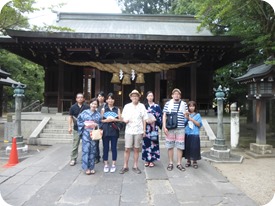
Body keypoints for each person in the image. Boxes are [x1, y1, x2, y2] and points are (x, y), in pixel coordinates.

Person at [120, 89, 148, 174]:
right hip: (129, 130)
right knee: (127, 148)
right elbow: (123, 117)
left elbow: (144, 119)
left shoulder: (142, 106)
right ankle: (125, 166)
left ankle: (135, 165)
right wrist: (125, 120)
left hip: (138, 130)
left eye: (136, 96)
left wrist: (144, 130)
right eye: (133, 96)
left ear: (139, 97)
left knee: (136, 149)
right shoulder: (127, 106)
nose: (134, 97)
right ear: (131, 97)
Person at [162, 88, 187, 172]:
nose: (176, 95)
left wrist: (187, 116)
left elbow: (186, 116)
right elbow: (164, 116)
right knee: (170, 146)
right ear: (172, 95)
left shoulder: (184, 104)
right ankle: (170, 163)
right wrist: (164, 127)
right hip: (170, 128)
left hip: (180, 127)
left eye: (178, 94)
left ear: (180, 95)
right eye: (175, 94)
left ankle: (179, 163)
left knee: (180, 146)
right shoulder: (168, 104)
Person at [77, 98, 101, 175]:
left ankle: (92, 167)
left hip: (93, 133)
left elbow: (100, 124)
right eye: (92, 103)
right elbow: (79, 121)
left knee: (93, 150)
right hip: (86, 133)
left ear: (97, 105)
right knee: (86, 150)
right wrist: (84, 124)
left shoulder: (98, 114)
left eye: (95, 104)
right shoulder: (84, 112)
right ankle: (86, 167)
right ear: (90, 104)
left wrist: (96, 125)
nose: (94, 105)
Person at [100, 93, 122, 173]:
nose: (110, 100)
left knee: (114, 148)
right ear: (106, 100)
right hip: (105, 130)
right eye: (109, 99)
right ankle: (106, 164)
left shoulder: (117, 109)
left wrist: (113, 119)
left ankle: (113, 164)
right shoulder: (103, 109)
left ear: (114, 100)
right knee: (105, 147)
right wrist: (106, 120)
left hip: (114, 130)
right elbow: (101, 120)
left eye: (112, 99)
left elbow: (120, 120)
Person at [142, 91, 162, 167]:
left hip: (154, 128)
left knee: (154, 143)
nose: (150, 97)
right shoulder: (144, 106)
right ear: (146, 97)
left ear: (153, 97)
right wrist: (146, 120)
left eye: (151, 96)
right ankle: (147, 160)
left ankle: (152, 160)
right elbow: (142, 117)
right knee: (146, 143)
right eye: (149, 96)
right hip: (146, 128)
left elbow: (160, 116)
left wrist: (155, 119)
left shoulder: (157, 106)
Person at [68, 93, 90, 166]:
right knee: (75, 144)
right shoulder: (73, 107)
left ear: (83, 99)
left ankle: (85, 158)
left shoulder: (87, 107)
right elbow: (70, 117)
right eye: (78, 97)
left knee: (86, 144)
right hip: (76, 128)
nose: (80, 99)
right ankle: (73, 158)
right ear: (76, 99)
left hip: (85, 128)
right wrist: (69, 127)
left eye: (81, 97)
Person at [184, 101, 202, 169]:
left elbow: (199, 124)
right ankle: (188, 161)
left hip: (195, 133)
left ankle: (195, 161)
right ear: (188, 107)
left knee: (195, 147)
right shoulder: (186, 114)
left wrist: (191, 119)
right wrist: (186, 117)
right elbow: (184, 124)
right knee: (188, 147)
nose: (191, 108)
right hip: (188, 133)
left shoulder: (198, 115)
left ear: (195, 107)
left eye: (193, 106)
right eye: (190, 106)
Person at [95, 91, 106, 163]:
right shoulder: (95, 105)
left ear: (104, 97)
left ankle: (104, 157)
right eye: (99, 96)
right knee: (96, 143)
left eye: (101, 96)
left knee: (105, 143)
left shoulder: (106, 105)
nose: (100, 98)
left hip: (104, 126)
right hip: (96, 126)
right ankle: (97, 157)